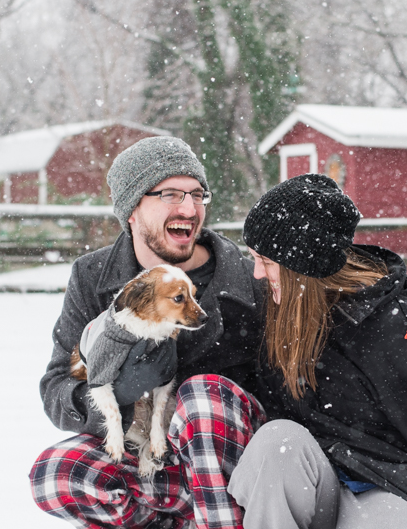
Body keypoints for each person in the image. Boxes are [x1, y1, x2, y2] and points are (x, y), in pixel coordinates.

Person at [226, 174, 407, 529]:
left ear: (302, 270)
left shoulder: (395, 326)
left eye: (264, 261)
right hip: (320, 479)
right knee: (277, 444)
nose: (258, 274)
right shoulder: (279, 310)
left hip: (393, 488)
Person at [29, 136, 267, 529]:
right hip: (148, 454)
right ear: (132, 211)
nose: (189, 209)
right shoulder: (94, 278)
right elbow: (56, 389)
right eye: (170, 194)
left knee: (201, 397)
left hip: (231, 466)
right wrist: (115, 394)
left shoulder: (247, 279)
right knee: (56, 474)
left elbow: (288, 385)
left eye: (197, 194)